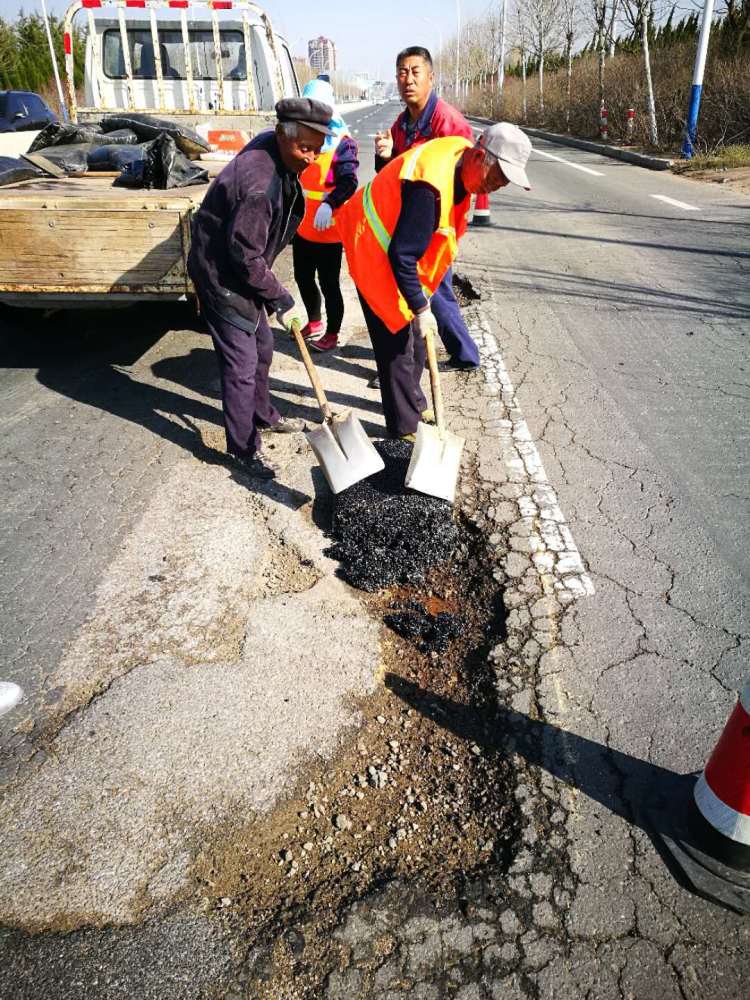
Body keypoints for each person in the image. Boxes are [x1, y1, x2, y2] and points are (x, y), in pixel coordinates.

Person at [337, 123, 532, 441]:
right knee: (397, 346)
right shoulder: (429, 189)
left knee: (415, 341)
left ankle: (414, 405)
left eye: (505, 182)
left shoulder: (460, 158)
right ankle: (403, 430)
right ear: (479, 156)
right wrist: (420, 307)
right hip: (373, 248)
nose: (498, 186)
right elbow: (402, 255)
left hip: (397, 250)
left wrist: (420, 305)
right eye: (497, 176)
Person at [188, 98, 333, 479]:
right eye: (306, 148)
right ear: (284, 137)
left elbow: (251, 256)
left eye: (318, 149)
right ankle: (243, 449)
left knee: (264, 346)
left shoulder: (276, 148)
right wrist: (284, 300)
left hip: (243, 266)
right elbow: (245, 257)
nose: (312, 158)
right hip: (221, 275)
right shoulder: (257, 186)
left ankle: (263, 413)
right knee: (242, 364)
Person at [374, 46, 480, 376]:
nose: (408, 79)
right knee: (428, 290)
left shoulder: (448, 122)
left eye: (415, 72)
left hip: (441, 219)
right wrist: (384, 156)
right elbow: (392, 175)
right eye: (402, 73)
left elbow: (464, 176)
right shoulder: (402, 124)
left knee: (431, 289)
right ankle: (454, 355)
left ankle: (422, 364)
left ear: (430, 78)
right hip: (414, 220)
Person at [292, 78, 359, 352]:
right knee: (302, 277)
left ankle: (332, 332)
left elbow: (349, 181)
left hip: (329, 228)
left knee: (329, 283)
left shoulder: (342, 143)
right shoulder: (302, 135)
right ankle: (315, 321)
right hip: (303, 225)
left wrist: (330, 203)